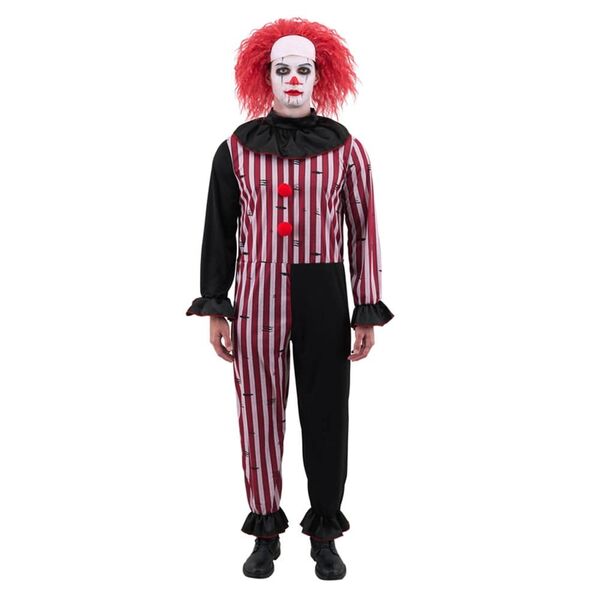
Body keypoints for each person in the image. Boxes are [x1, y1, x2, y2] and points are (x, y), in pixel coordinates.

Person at [186, 17, 394, 580]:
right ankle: (265, 530)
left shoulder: (346, 150)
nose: (294, 79)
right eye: (283, 69)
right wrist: (216, 304)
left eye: (304, 69)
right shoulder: (235, 149)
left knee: (327, 413)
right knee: (257, 408)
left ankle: (325, 533)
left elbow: (363, 230)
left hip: (324, 290)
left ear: (320, 76)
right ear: (266, 77)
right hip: (256, 292)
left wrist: (366, 307)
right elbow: (219, 229)